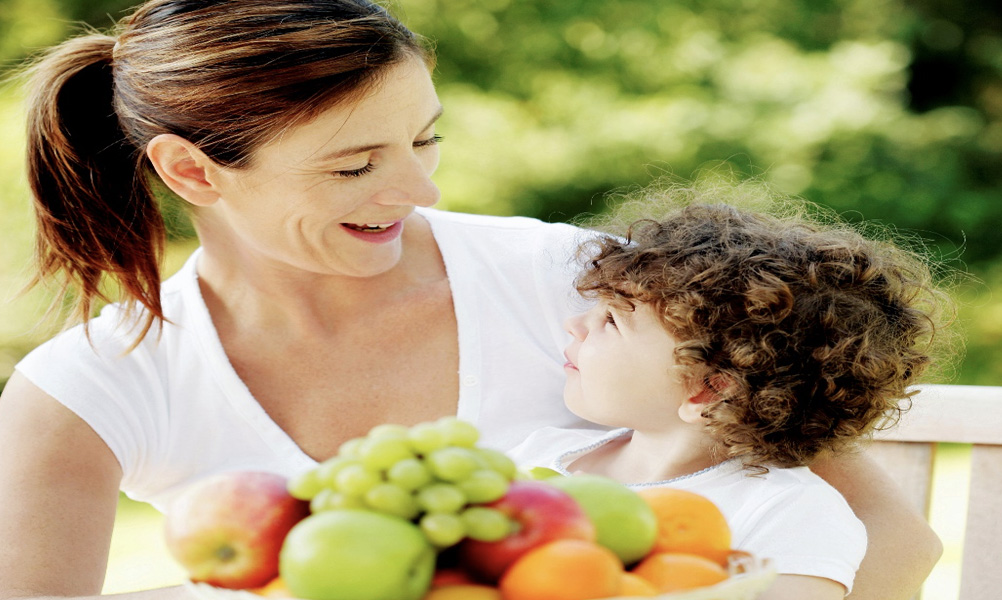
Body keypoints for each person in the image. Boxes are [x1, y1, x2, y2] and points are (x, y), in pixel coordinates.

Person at [0, 1, 941, 599]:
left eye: (425, 140)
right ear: (190, 172)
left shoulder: (581, 285)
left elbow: (894, 541)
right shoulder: (89, 389)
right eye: (355, 164)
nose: (420, 194)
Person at [509, 190, 953, 599]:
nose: (575, 324)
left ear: (707, 390)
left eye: (611, 321)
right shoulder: (543, 455)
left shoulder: (790, 515)